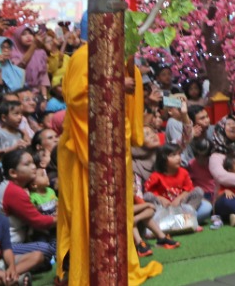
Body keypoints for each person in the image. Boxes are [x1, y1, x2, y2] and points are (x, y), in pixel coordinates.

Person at [56, 15, 162, 285]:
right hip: (85, 147)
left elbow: (130, 88)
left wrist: (126, 74)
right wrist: (116, 84)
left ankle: (115, 264)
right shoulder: (84, 54)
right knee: (82, 211)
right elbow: (76, 99)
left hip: (115, 145)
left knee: (116, 210)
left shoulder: (117, 55)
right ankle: (79, 269)